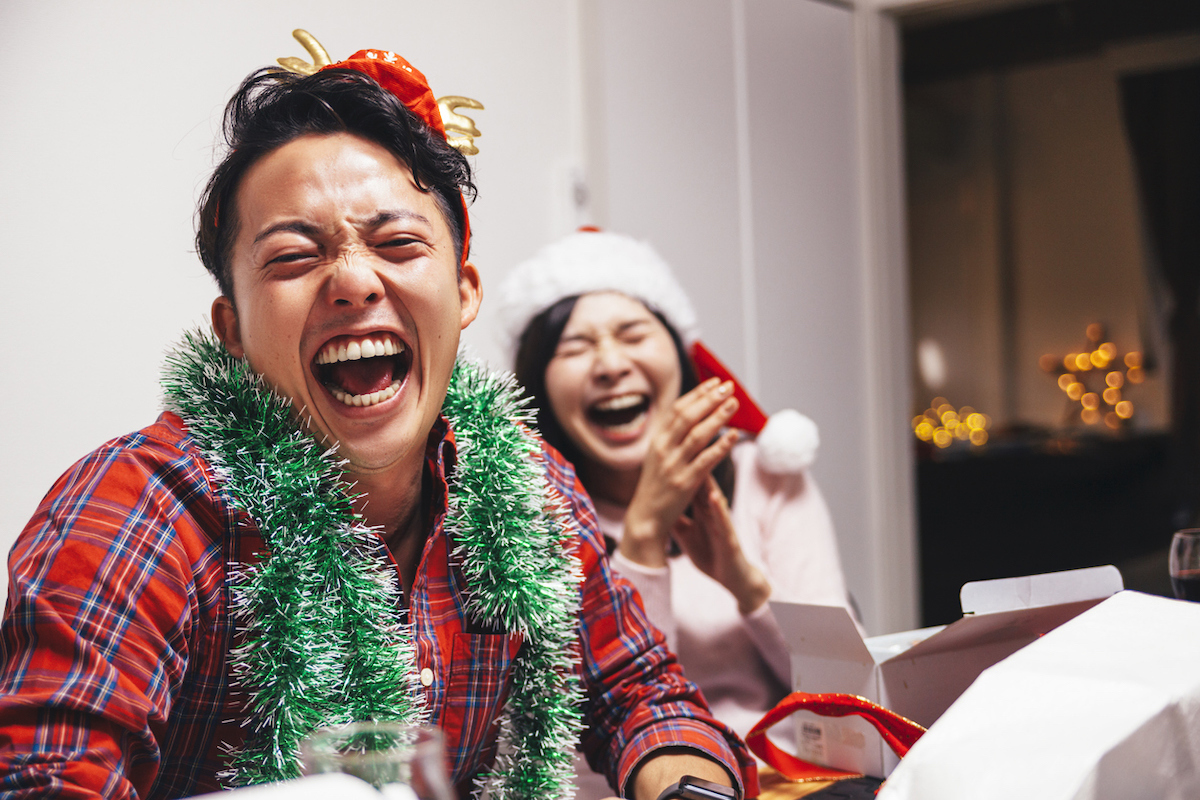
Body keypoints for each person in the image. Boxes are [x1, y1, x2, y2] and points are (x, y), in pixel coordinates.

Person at [0, 38, 755, 800]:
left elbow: (646, 697)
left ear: (463, 294)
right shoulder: (140, 506)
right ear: (230, 331)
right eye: (295, 257)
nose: (355, 280)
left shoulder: (527, 489)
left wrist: (683, 784)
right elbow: (47, 779)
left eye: (397, 244)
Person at [497, 230, 857, 771]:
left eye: (633, 333)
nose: (610, 364)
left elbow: (852, 695)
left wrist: (745, 582)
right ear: (540, 385)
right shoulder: (521, 514)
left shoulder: (769, 476)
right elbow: (579, 732)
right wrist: (642, 535)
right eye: (575, 347)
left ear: (678, 353)